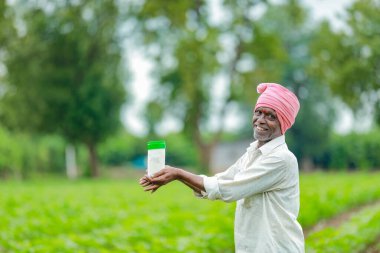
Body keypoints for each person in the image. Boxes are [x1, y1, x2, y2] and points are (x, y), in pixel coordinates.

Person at [139, 83, 305, 253]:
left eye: (271, 116)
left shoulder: (281, 159)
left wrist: (178, 174)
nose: (261, 120)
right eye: (258, 112)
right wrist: (172, 173)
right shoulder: (253, 153)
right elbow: (220, 181)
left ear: (283, 123)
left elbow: (228, 189)